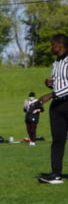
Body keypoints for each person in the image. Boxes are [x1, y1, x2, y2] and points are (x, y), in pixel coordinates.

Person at [34, 33, 68, 185]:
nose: (50, 48)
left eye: (52, 45)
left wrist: (50, 94)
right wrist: (50, 83)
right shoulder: (56, 63)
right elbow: (61, 82)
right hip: (57, 106)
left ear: (59, 45)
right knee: (58, 140)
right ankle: (56, 174)